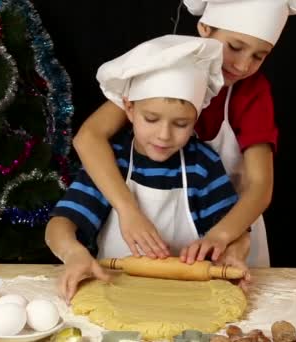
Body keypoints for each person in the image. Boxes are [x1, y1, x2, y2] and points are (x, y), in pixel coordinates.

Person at [71, 0, 296, 268]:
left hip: (233, 228)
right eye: (235, 47)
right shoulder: (166, 66)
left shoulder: (252, 92)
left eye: (259, 56)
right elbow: (88, 137)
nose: (242, 65)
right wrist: (127, 209)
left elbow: (260, 187)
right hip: (154, 226)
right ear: (204, 28)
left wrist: (223, 236)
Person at [46, 34, 251, 302]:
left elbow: (238, 233)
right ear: (129, 109)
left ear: (196, 118)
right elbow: (59, 225)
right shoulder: (114, 163)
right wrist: (73, 254)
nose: (164, 135)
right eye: (151, 119)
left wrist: (233, 253)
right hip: (113, 291)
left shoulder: (203, 166)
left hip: (188, 298)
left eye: (181, 124)